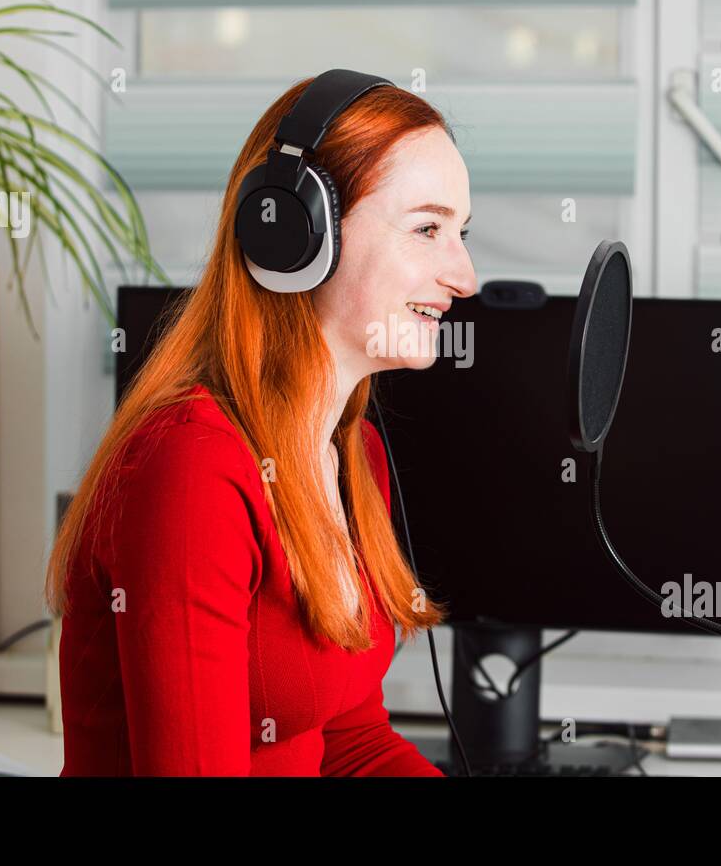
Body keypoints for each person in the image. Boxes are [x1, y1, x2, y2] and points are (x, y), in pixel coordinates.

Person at [46, 73, 477, 775]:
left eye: (460, 233)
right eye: (428, 229)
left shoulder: (352, 456)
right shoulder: (191, 469)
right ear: (296, 234)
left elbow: (350, 743)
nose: (464, 276)